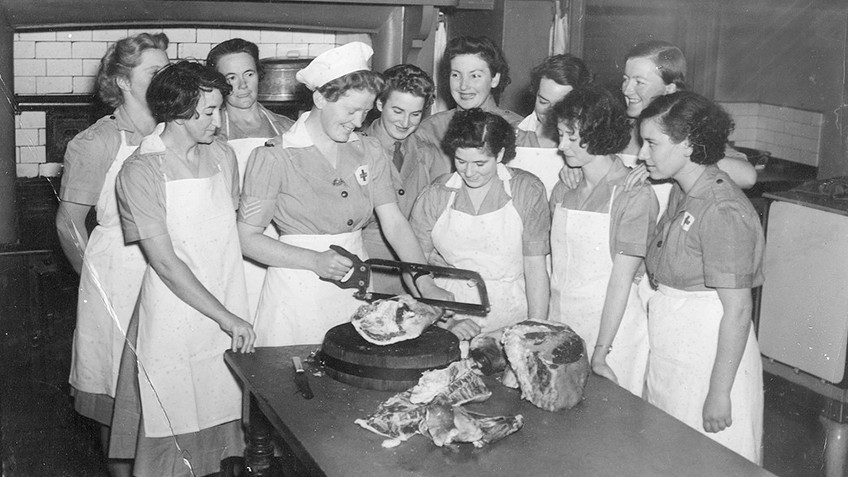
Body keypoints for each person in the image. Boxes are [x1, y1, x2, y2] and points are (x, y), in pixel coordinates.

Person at [238, 42, 452, 346]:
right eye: (351, 111)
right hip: (297, 289)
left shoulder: (368, 150)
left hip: (355, 287)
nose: (358, 123)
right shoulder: (274, 157)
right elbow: (247, 239)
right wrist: (313, 260)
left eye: (365, 112)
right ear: (320, 98)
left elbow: (394, 222)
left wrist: (424, 281)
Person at [114, 61, 256, 477]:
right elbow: (165, 263)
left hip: (227, 292)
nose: (219, 120)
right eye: (209, 111)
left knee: (225, 420)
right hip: (175, 312)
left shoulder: (224, 156)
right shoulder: (141, 171)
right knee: (174, 424)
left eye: (219, 109)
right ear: (177, 112)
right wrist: (226, 317)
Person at [55, 32, 168, 477]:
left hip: (168, 268)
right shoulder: (96, 142)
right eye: (154, 71)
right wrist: (97, 285)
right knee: (116, 397)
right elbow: (68, 223)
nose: (165, 77)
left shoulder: (172, 131)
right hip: (119, 273)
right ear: (122, 81)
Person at [639, 90, 764, 463]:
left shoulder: (722, 209)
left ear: (689, 144)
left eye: (651, 144)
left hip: (712, 358)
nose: (642, 154)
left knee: (712, 462)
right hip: (676, 350)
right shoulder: (683, 189)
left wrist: (720, 392)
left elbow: (739, 311)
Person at [547, 85, 657, 396]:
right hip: (565, 323)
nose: (561, 145)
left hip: (612, 335)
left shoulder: (633, 194)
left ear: (598, 133)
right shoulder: (563, 189)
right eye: (560, 135)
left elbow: (621, 282)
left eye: (571, 136)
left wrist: (601, 352)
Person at [411, 108, 550, 344]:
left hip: (510, 315)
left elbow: (536, 269)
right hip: (448, 312)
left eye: (480, 163)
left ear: (500, 155)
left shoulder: (526, 190)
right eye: (461, 161)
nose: (469, 172)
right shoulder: (437, 193)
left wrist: (533, 333)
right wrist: (447, 321)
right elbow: (414, 267)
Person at [206, 38, 296, 318]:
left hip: (280, 239)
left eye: (249, 74)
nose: (242, 86)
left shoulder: (287, 129)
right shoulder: (210, 131)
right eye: (231, 78)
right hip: (228, 241)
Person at [361, 64, 443, 295]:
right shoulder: (356, 149)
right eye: (397, 111)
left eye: (415, 114)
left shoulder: (428, 153)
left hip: (418, 273)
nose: (405, 122)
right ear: (379, 104)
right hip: (368, 274)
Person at [415, 36, 523, 172]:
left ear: (495, 78)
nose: (464, 86)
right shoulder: (429, 130)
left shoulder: (519, 130)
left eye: (475, 76)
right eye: (456, 75)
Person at [516, 54, 592, 148]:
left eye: (560, 106)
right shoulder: (515, 134)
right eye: (543, 102)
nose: (549, 113)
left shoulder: (590, 145)